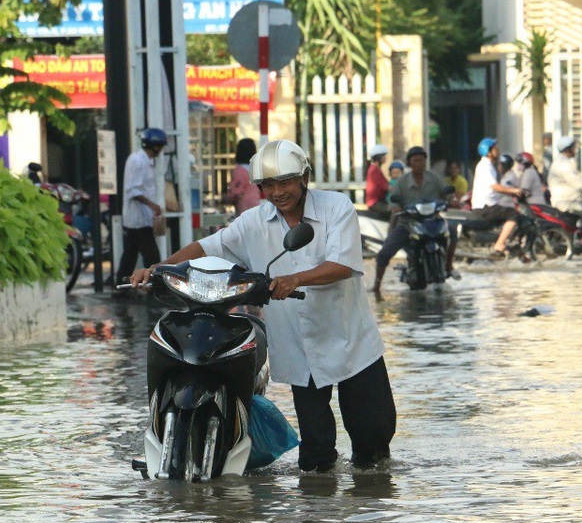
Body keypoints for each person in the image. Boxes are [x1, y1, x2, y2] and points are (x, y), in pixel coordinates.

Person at [130, 140, 397, 472]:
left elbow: (343, 265)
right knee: (315, 459)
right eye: (268, 184)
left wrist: (295, 279)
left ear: (304, 178)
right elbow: (207, 246)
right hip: (299, 345)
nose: (277, 191)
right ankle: (318, 517)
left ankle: (371, 512)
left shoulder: (336, 207)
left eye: (285, 181)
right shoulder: (253, 221)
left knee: (373, 446)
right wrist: (158, 269)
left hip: (349, 338)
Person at [371, 145, 460, 293]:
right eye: (415, 161)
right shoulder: (402, 182)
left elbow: (447, 193)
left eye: (421, 160)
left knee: (453, 232)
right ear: (409, 163)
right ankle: (376, 285)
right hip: (409, 223)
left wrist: (452, 200)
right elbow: (392, 200)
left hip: (433, 221)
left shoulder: (434, 178)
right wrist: (395, 207)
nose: (418, 164)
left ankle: (449, 265)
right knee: (384, 253)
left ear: (425, 161)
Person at [114, 128, 166, 291]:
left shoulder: (146, 162)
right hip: (138, 219)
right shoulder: (138, 161)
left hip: (141, 218)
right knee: (152, 257)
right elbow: (133, 190)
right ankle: (156, 288)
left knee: (130, 254)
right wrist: (152, 205)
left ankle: (121, 287)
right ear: (156, 146)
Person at [469, 137, 522, 259]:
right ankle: (499, 244)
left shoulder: (489, 166)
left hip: (489, 204)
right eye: (494, 148)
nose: (497, 150)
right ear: (488, 152)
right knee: (513, 215)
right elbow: (495, 187)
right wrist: (514, 190)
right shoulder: (485, 166)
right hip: (486, 207)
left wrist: (511, 192)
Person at [547, 135, 582, 249]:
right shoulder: (564, 164)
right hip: (566, 202)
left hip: (568, 200)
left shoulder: (562, 162)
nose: (575, 150)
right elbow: (575, 181)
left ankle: (580, 235)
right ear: (567, 149)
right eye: (573, 147)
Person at [225, 138, 261, 216]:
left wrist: (227, 199)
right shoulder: (254, 168)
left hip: (244, 207)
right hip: (256, 204)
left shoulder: (239, 170)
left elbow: (236, 192)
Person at [364, 143, 390, 217]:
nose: (385, 158)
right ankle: (391, 228)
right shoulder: (374, 170)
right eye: (384, 155)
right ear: (379, 157)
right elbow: (386, 187)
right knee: (395, 211)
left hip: (379, 201)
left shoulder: (375, 169)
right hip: (375, 203)